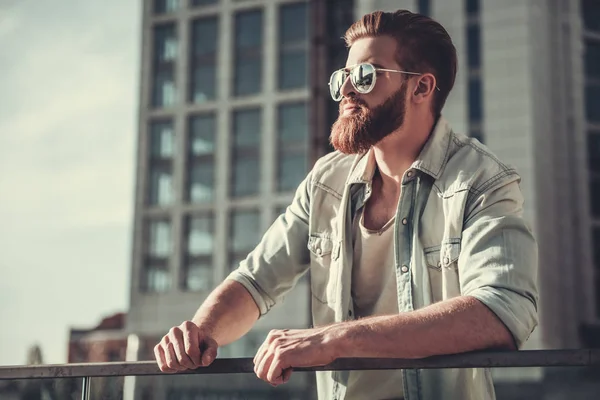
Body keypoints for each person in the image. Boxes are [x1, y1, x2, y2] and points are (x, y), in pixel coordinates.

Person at [154, 9, 538, 400]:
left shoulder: (481, 181)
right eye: (342, 79)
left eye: (366, 76)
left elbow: (501, 311)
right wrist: (199, 333)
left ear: (421, 88)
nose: (347, 91)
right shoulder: (327, 181)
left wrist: (336, 339)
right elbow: (256, 281)